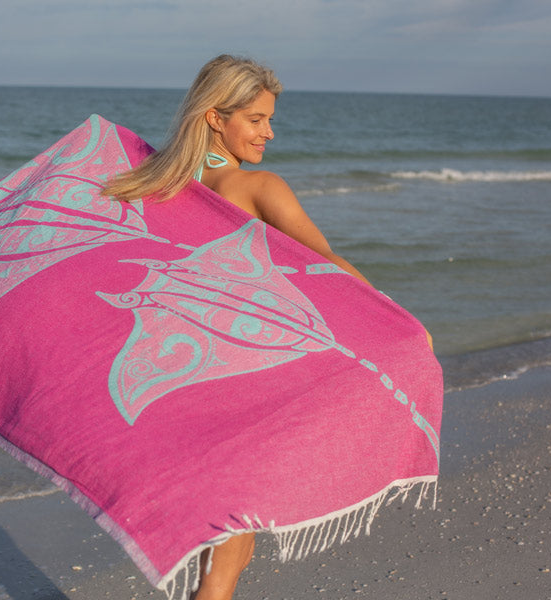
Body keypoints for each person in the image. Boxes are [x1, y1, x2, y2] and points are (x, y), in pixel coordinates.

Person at [103, 54, 372, 600]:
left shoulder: (152, 186)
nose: (269, 132)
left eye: (270, 120)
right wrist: (399, 321)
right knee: (229, 555)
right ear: (214, 118)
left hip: (181, 379)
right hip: (241, 382)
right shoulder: (260, 188)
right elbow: (328, 266)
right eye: (256, 119)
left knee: (225, 540)